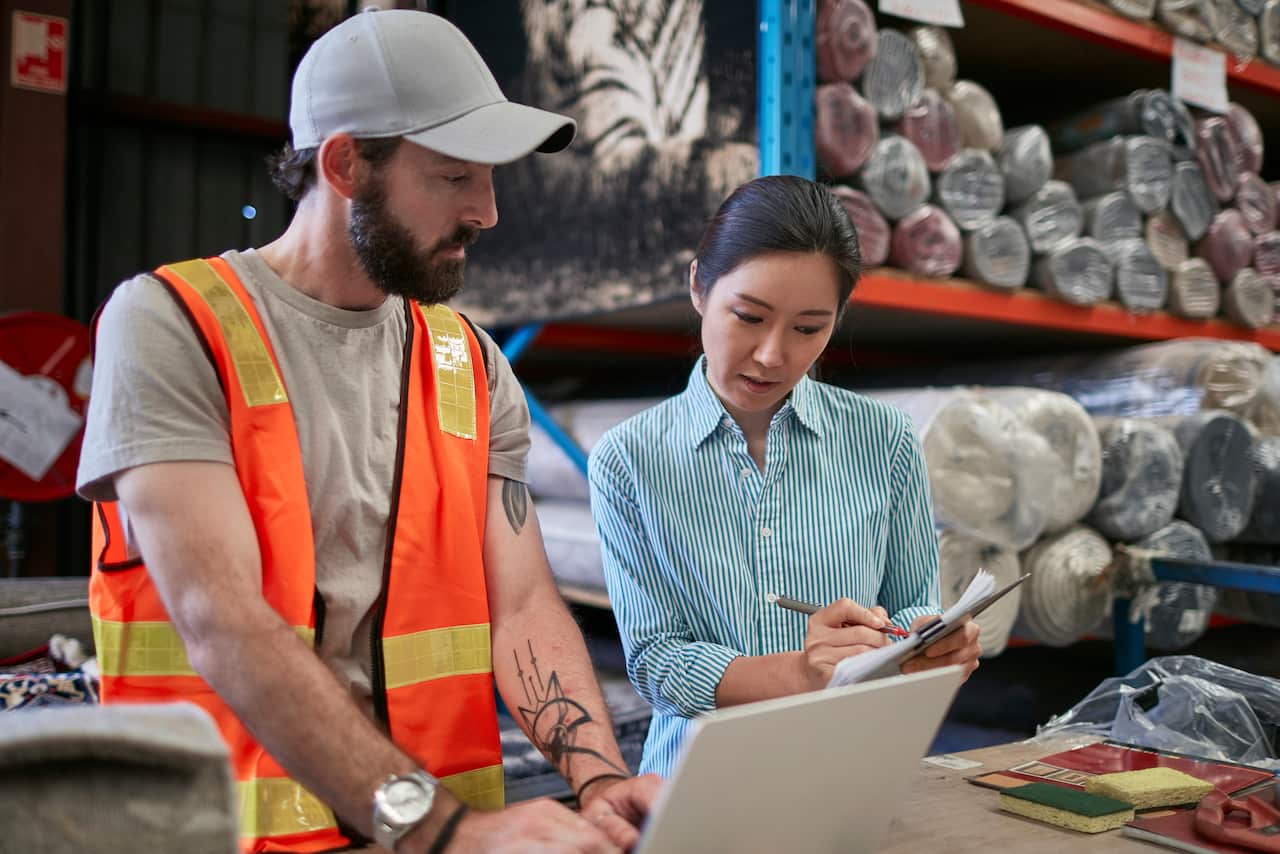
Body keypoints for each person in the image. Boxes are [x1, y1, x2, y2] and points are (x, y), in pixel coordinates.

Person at [77, 10, 658, 853]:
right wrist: (443, 829)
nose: (488, 211)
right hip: (220, 835)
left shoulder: (468, 361)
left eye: (489, 178)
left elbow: (524, 605)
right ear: (347, 163)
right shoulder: (170, 326)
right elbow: (221, 618)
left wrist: (600, 781)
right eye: (455, 176)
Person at [588, 175, 983, 777]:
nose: (773, 355)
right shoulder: (629, 458)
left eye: (807, 329)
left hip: (848, 778)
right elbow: (656, 662)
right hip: (697, 787)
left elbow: (910, 607)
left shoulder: (884, 439)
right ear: (698, 286)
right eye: (748, 316)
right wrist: (802, 672)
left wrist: (930, 646)